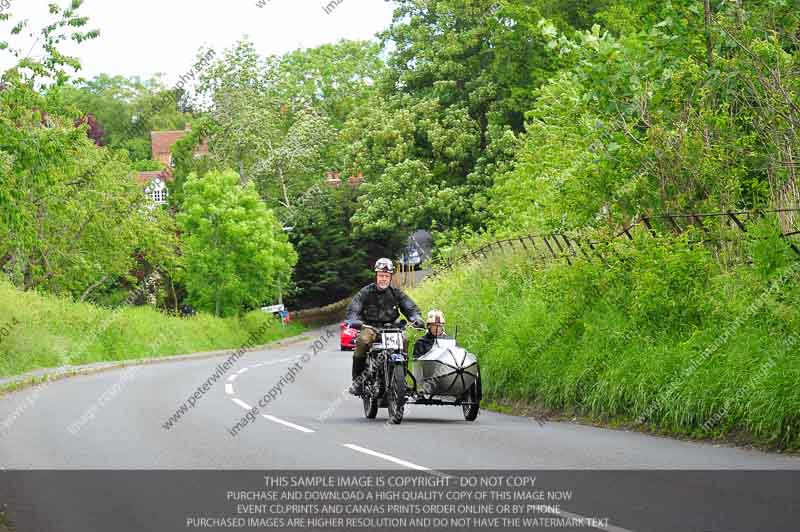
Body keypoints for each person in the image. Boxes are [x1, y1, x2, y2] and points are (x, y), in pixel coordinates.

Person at [346, 258, 424, 394]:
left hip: (392, 329)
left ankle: (401, 380)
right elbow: (354, 308)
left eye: (386, 276)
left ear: (390, 277)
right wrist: (354, 320)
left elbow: (410, 307)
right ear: (376, 276)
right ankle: (357, 381)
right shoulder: (365, 292)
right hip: (370, 328)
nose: (383, 279)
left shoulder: (396, 293)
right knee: (363, 341)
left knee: (404, 340)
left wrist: (415, 318)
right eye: (381, 275)